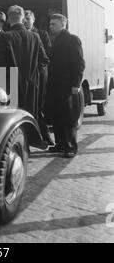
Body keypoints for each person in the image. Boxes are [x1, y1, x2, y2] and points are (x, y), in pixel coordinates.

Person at [45, 13, 85, 158]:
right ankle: (60, 144)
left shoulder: (72, 40)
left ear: (63, 24)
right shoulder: (55, 40)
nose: (50, 26)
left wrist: (76, 83)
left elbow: (79, 64)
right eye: (50, 24)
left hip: (67, 86)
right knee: (57, 116)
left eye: (53, 24)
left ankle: (70, 147)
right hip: (55, 86)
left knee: (68, 117)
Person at [6, 5, 49, 121]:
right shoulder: (35, 37)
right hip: (32, 86)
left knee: (11, 121)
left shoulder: (5, 37)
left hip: (11, 86)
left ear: (9, 19)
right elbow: (44, 60)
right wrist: (33, 75)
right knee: (29, 118)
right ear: (23, 18)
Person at [24, 10, 53, 145]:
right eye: (24, 18)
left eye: (28, 18)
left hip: (39, 75)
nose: (25, 21)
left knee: (39, 105)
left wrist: (36, 69)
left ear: (33, 20)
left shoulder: (42, 34)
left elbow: (47, 54)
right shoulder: (21, 35)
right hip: (25, 76)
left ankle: (44, 135)